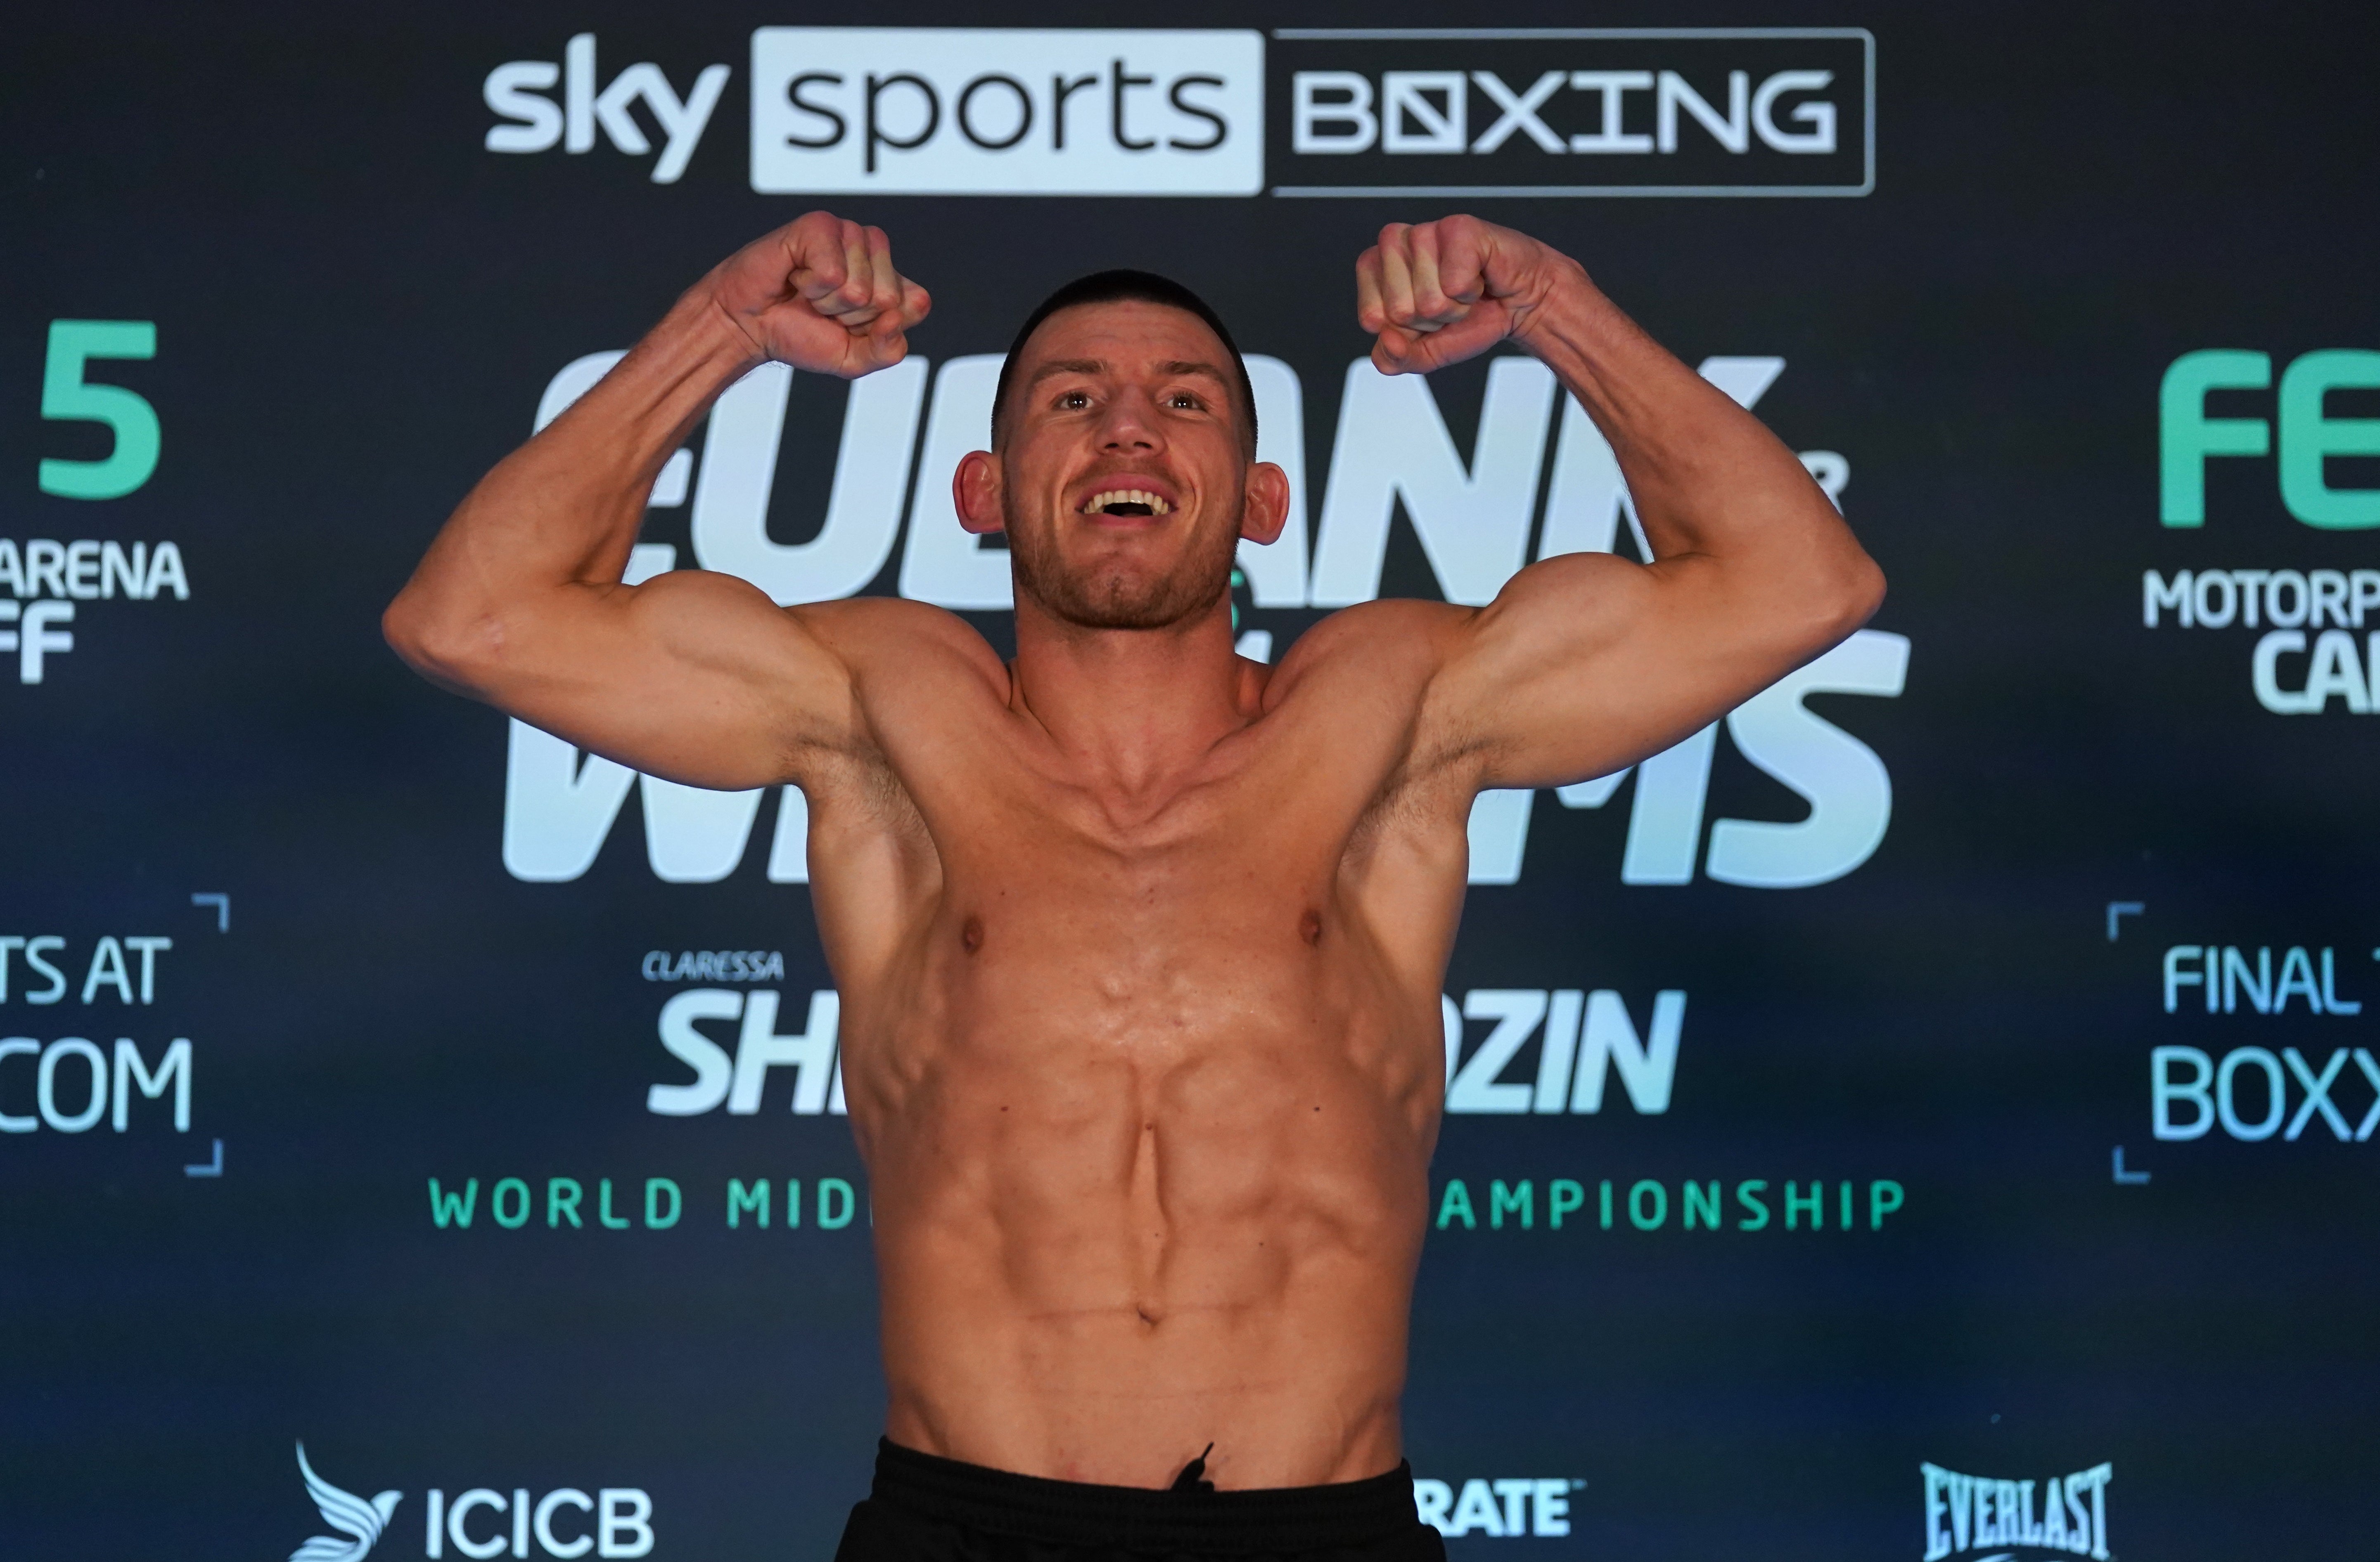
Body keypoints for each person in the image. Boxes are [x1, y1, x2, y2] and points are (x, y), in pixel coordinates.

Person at [384, 210, 1882, 1561]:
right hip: (962, 1528)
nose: (1127, 434)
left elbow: (1800, 584)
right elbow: (476, 621)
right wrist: (717, 328)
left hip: (1321, 1531)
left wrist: (1554, 306)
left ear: (1263, 498)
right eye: (1071, 401)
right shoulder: (881, 714)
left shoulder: (1389, 716)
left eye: (1183, 403)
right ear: (983, 488)